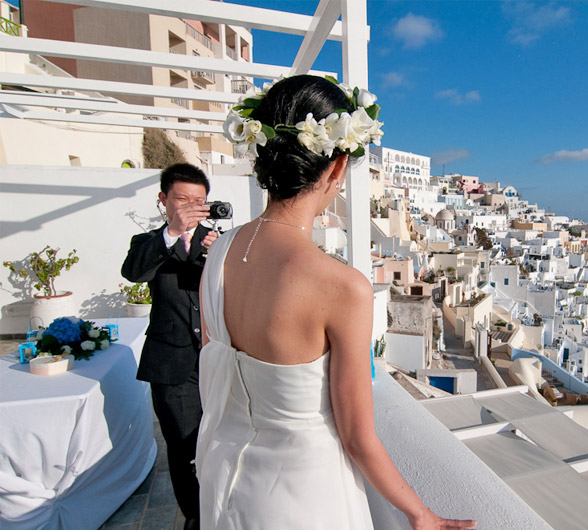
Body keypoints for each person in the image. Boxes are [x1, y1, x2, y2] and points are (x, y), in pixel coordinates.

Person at [196, 75, 475, 529]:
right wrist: (420, 513)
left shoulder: (222, 253)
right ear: (338, 167)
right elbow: (357, 436)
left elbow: (214, 360)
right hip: (304, 498)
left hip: (227, 483)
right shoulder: (342, 287)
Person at [122, 163, 218, 530]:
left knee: (221, 438)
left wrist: (219, 255)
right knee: (182, 448)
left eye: (199, 200)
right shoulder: (147, 243)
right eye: (183, 199)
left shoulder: (219, 240)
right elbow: (134, 272)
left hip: (217, 359)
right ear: (164, 200)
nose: (192, 206)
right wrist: (174, 232)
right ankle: (195, 517)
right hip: (172, 363)